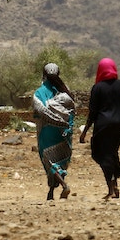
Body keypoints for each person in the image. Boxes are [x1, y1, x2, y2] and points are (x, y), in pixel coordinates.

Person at [79, 57, 120, 199]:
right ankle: (115, 181)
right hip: (118, 125)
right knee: (113, 152)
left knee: (101, 155)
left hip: (102, 125)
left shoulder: (97, 88)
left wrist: (84, 132)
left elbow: (93, 112)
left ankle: (111, 187)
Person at [32, 63, 75, 200]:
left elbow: (39, 111)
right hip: (64, 131)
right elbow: (72, 110)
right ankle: (51, 192)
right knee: (60, 160)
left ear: (43, 74)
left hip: (47, 131)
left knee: (49, 160)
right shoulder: (65, 91)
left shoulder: (38, 93)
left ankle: (64, 185)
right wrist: (67, 126)